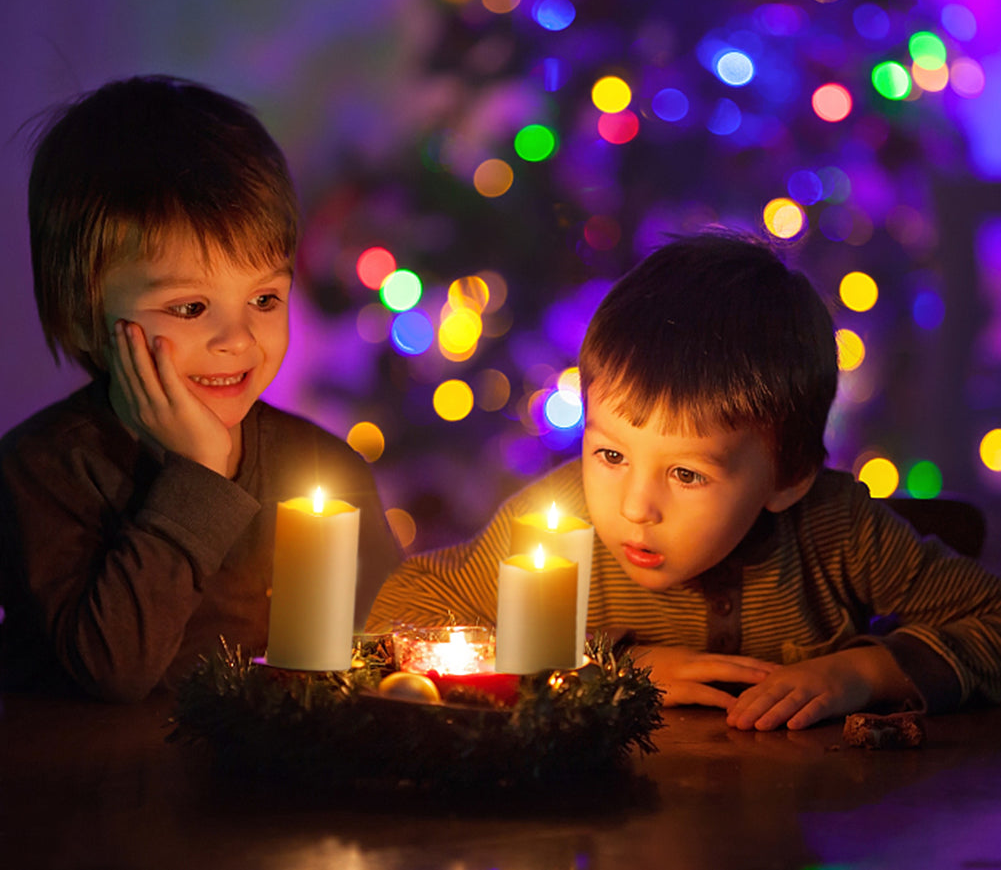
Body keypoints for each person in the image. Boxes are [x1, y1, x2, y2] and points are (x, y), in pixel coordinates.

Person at [367, 231, 1001, 730]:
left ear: (787, 477)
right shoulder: (557, 523)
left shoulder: (839, 532)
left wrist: (860, 674)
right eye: (611, 457)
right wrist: (612, 667)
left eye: (687, 474)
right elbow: (404, 610)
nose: (636, 507)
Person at [0, 75, 401, 702]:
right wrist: (200, 477)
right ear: (84, 317)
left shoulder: (326, 468)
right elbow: (116, 670)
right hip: (91, 792)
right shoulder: (44, 471)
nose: (237, 339)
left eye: (264, 298)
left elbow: (387, 650)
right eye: (190, 309)